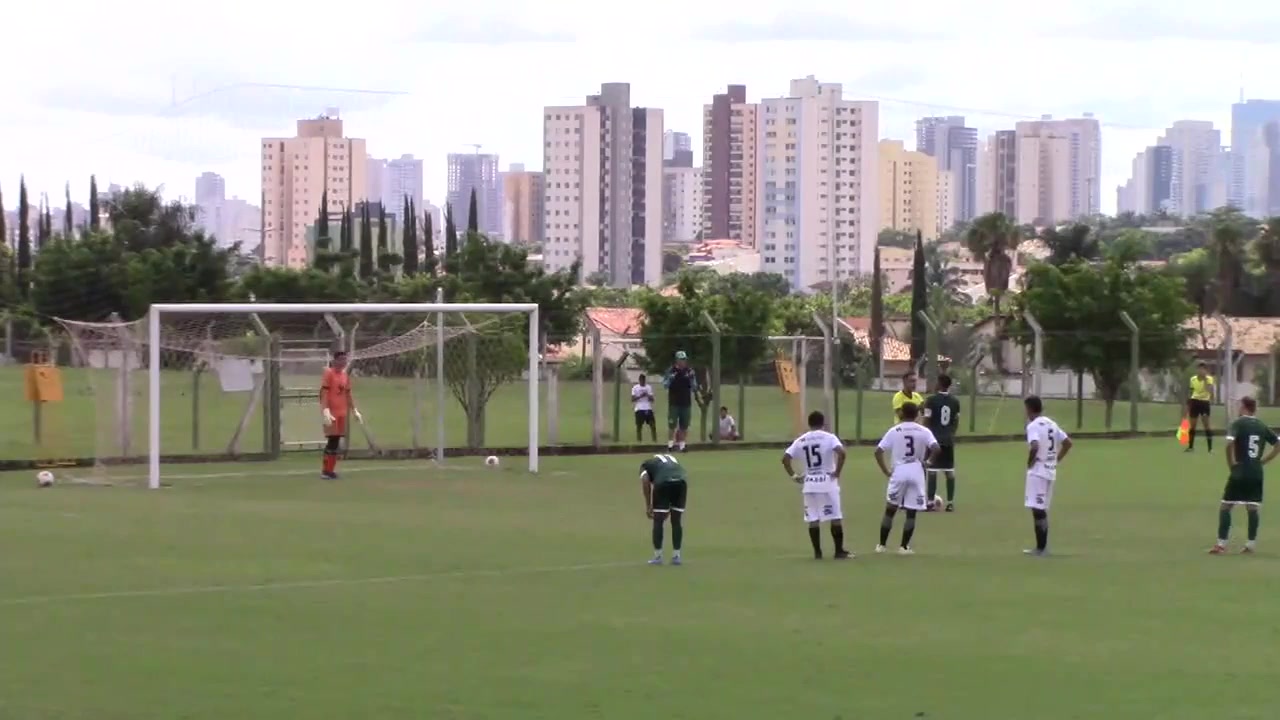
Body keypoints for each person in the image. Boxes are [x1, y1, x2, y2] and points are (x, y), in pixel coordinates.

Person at [1210, 396, 1279, 554]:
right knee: (1253, 508)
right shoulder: (1262, 425)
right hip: (1256, 472)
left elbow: (1229, 444)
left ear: (1244, 407)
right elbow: (1277, 445)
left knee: (1226, 506)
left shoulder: (1238, 423)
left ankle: (1221, 544)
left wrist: (1231, 464)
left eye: (1239, 406)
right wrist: (1263, 461)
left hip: (1240, 470)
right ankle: (1250, 544)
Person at [874, 403, 940, 554]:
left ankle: (881, 545)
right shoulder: (924, 431)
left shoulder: (894, 430)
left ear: (902, 413)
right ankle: (903, 547)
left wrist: (886, 471)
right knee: (911, 511)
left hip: (899, 470)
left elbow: (878, 451)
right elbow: (936, 448)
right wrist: (928, 462)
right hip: (916, 471)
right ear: (917, 414)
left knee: (890, 509)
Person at [783, 411, 850, 559]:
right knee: (835, 516)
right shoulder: (829, 437)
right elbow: (842, 453)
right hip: (827, 482)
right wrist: (837, 471)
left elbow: (785, 458)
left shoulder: (801, 440)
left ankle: (817, 553)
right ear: (823, 423)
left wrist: (794, 476)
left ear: (809, 423)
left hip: (810, 483)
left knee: (813, 518)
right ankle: (839, 551)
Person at [1023, 396, 1072, 556]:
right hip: (1050, 470)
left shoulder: (1033, 426)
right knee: (1040, 508)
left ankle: (1041, 548)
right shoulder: (1052, 423)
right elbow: (1068, 443)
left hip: (1038, 471)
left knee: (1038, 509)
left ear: (1029, 409)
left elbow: (1035, 446)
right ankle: (1041, 547)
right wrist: (1056, 459)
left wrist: (1029, 462)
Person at [319, 350, 362, 480]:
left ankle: (330, 470)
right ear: (335, 360)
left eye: (345, 360)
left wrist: (354, 410)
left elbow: (348, 394)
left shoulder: (344, 375)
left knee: (336, 440)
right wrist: (325, 409)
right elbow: (324, 392)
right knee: (332, 440)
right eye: (341, 359)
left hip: (342, 412)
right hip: (331, 412)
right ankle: (326, 471)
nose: (343, 362)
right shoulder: (329, 373)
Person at [640, 453, 689, 565]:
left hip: (663, 482)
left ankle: (658, 556)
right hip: (681, 482)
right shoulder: (672, 459)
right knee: (676, 520)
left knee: (658, 520)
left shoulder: (645, 465)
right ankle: (676, 556)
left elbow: (645, 481)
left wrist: (648, 506)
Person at [923, 374, 961, 511]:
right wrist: (951, 434)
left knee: (932, 471)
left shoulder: (931, 400)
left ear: (939, 384)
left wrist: (925, 436)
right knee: (949, 472)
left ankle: (930, 502)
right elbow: (956, 420)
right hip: (948, 440)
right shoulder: (955, 401)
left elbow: (927, 419)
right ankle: (950, 503)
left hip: (934, 440)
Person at [663, 351, 697, 452]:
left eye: (684, 359)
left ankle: (682, 446)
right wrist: (670, 379)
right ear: (677, 360)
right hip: (674, 402)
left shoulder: (689, 371)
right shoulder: (671, 371)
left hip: (686, 402)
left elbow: (694, 387)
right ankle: (670, 445)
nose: (683, 362)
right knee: (672, 424)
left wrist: (691, 379)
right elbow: (665, 385)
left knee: (684, 425)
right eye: (681, 359)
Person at [1187, 362, 1216, 453]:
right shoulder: (1193, 379)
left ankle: (1210, 448)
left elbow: (1209, 390)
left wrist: (1205, 381)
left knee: (1206, 425)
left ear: (1206, 370)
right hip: (1195, 401)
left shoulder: (1209, 379)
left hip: (1204, 402)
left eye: (1203, 369)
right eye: (1199, 369)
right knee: (1192, 425)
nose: (1201, 371)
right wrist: (1189, 402)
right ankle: (1191, 447)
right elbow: (1191, 391)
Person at [631, 374, 657, 443]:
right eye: (641, 380)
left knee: (653, 425)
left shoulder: (648, 387)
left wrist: (647, 395)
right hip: (639, 409)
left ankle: (654, 440)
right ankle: (639, 440)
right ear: (639, 380)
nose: (643, 382)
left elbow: (652, 399)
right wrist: (640, 396)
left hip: (648, 408)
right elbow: (632, 399)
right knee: (639, 426)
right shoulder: (635, 388)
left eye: (644, 381)